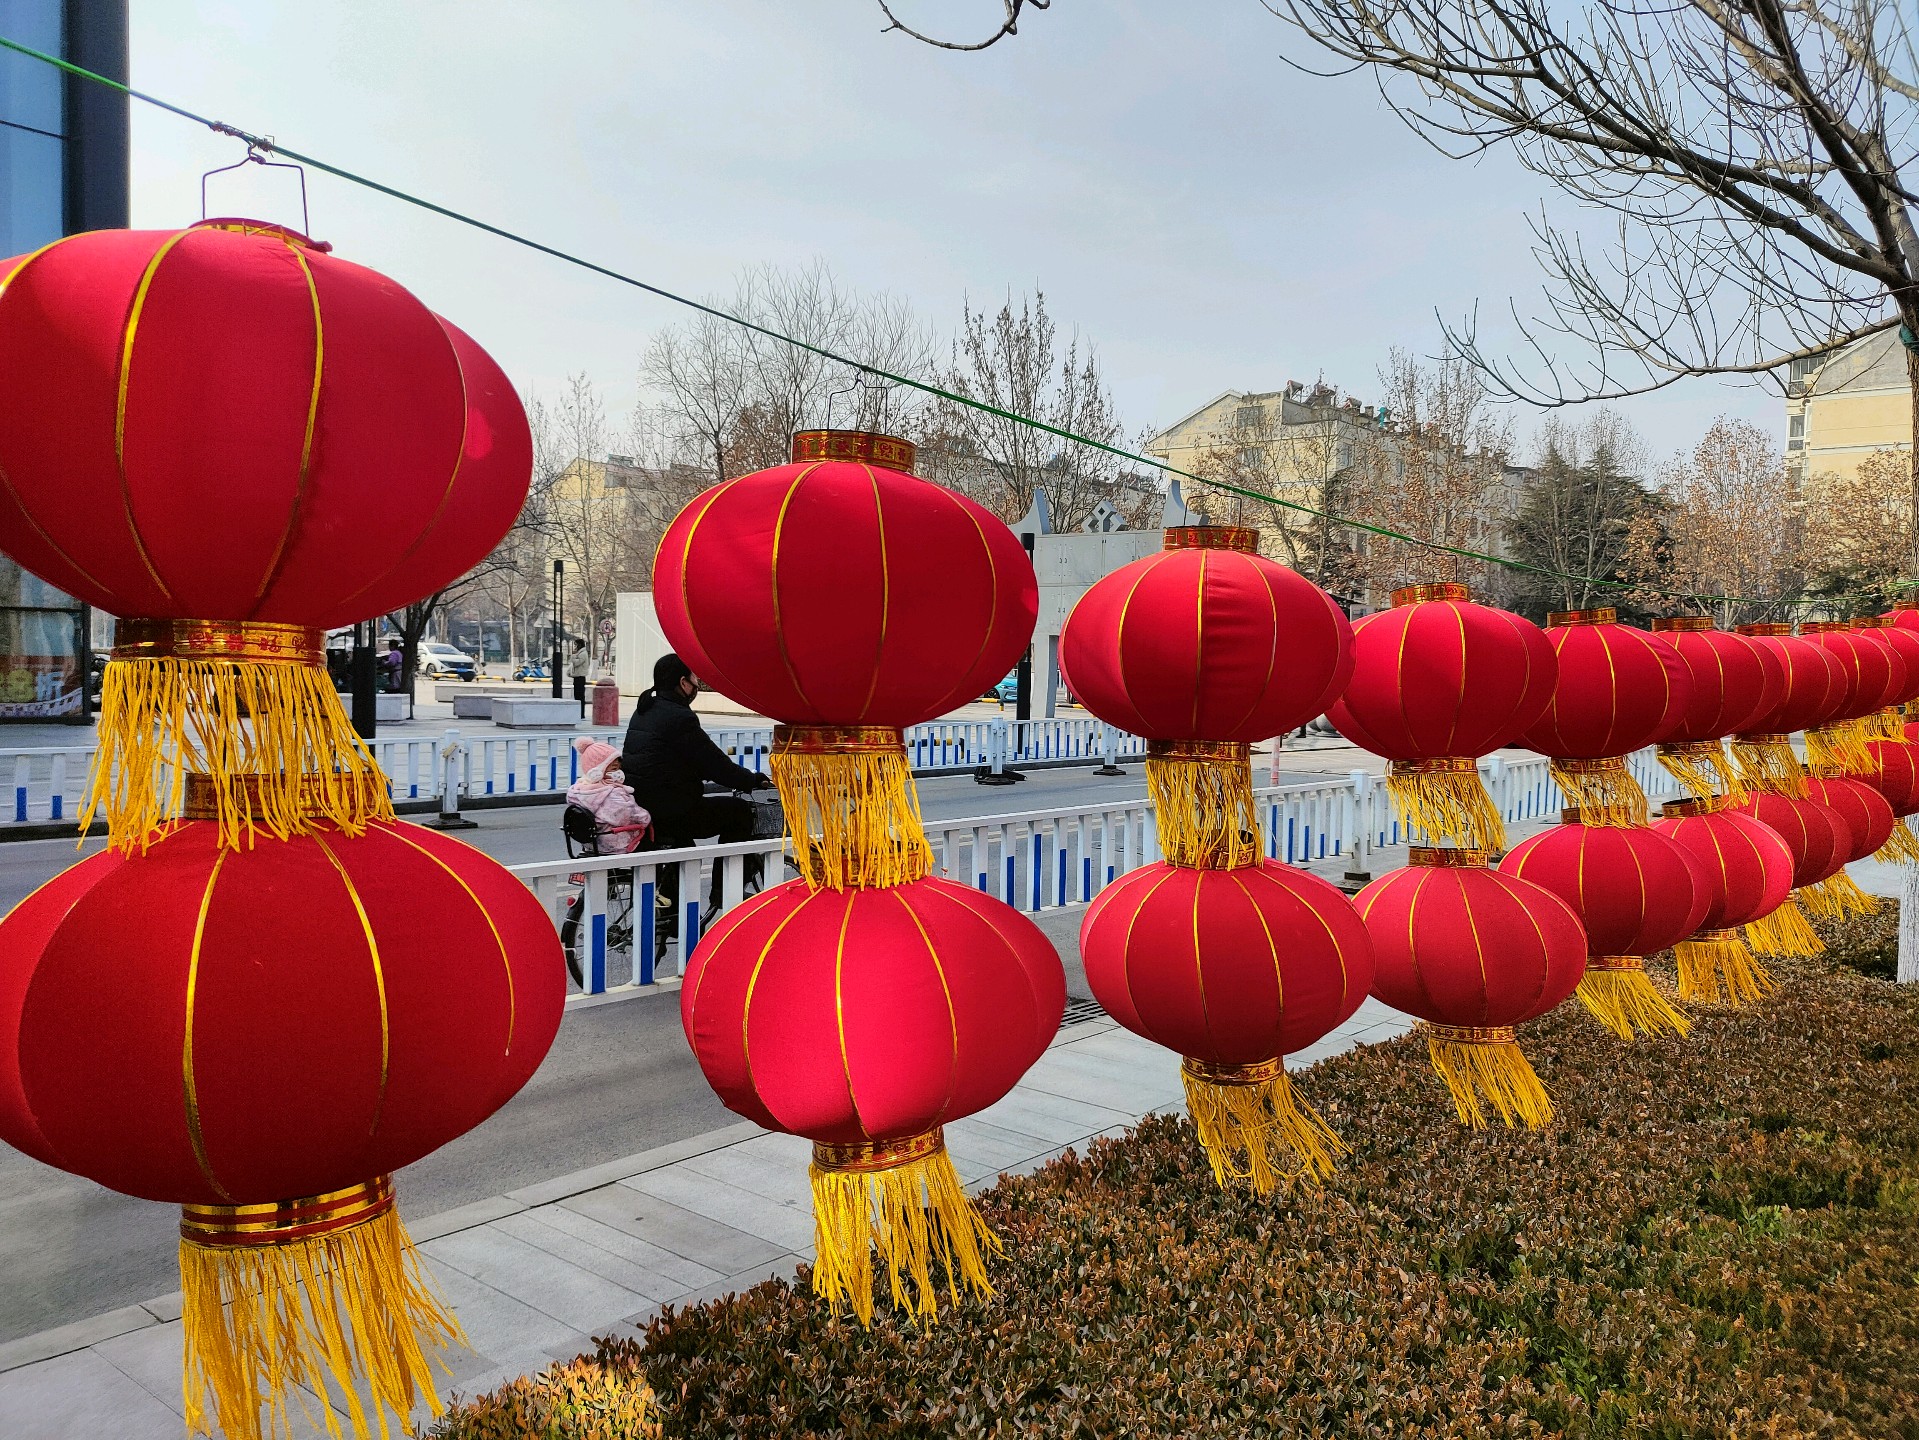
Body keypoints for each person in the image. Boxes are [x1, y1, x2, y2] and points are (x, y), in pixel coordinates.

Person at [622, 653, 772, 895]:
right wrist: (750, 779)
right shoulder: (680, 717)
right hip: (671, 810)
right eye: (694, 679)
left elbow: (669, 759)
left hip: (644, 806)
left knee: (685, 857)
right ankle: (725, 891)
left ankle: (670, 909)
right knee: (739, 812)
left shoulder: (644, 710)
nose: (697, 685)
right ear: (683, 683)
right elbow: (713, 762)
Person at [565, 738, 652, 853]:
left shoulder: (578, 790)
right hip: (616, 844)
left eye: (619, 767)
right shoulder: (611, 794)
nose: (618, 771)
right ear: (597, 771)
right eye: (614, 768)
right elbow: (629, 816)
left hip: (591, 843)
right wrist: (646, 817)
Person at [569, 637, 590, 712]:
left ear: (580, 645)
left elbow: (577, 663)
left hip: (580, 677)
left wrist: (573, 657)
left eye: (576, 645)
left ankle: (581, 712)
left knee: (580, 695)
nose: (575, 646)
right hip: (577, 676)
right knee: (577, 695)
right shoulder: (580, 653)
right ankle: (579, 711)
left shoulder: (583, 654)